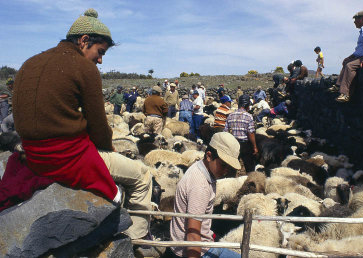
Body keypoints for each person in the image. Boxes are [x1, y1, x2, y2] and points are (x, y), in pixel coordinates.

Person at [11, 8, 152, 240]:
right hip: (67, 158)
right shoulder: (85, 68)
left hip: (32, 154)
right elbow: (98, 125)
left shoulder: (29, 62)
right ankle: (136, 239)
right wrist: (108, 146)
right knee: (142, 175)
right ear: (84, 40)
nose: (100, 59)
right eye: (100, 52)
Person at [170, 132, 241, 258]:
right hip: (199, 250)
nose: (226, 171)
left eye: (229, 167)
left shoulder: (199, 169)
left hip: (199, 242)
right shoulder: (200, 186)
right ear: (209, 156)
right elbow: (193, 234)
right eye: (223, 165)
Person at [329, 10, 363, 102]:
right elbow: (360, 49)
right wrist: (350, 57)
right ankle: (338, 85)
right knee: (347, 61)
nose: (354, 22)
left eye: (356, 19)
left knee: (350, 66)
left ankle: (345, 94)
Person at [224, 94, 258, 173]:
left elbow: (225, 131)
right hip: (245, 145)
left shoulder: (230, 115)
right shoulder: (249, 116)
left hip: (233, 144)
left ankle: (230, 182)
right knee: (249, 167)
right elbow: (251, 133)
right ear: (246, 105)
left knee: (231, 168)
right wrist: (255, 147)